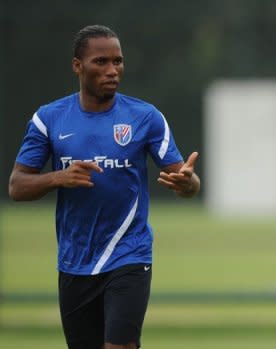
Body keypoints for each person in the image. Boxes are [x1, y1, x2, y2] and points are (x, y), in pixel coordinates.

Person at [8, 24, 200, 349]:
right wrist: (59, 177)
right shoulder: (48, 119)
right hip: (74, 260)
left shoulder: (145, 117)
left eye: (118, 61)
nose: (113, 70)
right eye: (101, 62)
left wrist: (187, 183)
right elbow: (17, 186)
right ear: (77, 66)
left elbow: (187, 182)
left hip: (129, 254)